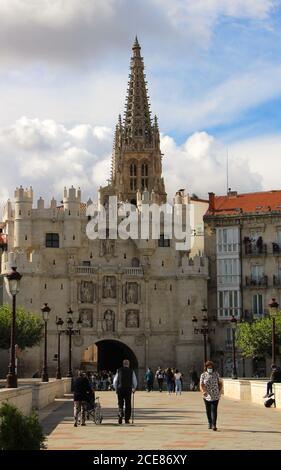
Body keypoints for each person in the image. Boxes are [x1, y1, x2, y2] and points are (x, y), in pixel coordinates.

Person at [113, 359, 137, 425]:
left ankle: (120, 415)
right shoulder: (131, 371)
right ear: (128, 364)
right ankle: (127, 419)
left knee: (120, 403)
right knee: (128, 404)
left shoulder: (119, 370)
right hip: (128, 389)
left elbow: (115, 381)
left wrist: (116, 389)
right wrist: (134, 388)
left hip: (120, 389)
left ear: (123, 364)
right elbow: (134, 381)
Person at [200, 360, 222, 431]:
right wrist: (203, 391)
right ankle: (209, 422)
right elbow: (201, 385)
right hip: (206, 395)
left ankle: (214, 425)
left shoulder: (216, 374)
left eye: (211, 367)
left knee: (214, 410)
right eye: (208, 367)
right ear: (206, 368)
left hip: (215, 395)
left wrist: (219, 390)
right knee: (208, 410)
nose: (210, 368)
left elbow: (220, 383)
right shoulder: (203, 375)